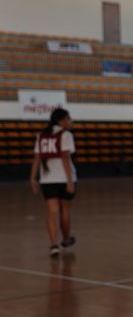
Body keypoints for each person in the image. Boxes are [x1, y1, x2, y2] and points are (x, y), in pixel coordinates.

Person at [29, 108, 77, 257]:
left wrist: (33, 178)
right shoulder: (66, 135)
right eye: (68, 119)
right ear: (61, 121)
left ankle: (54, 245)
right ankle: (66, 239)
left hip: (47, 179)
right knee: (65, 211)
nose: (71, 121)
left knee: (52, 211)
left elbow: (37, 158)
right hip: (63, 178)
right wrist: (69, 181)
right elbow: (64, 158)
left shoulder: (41, 136)